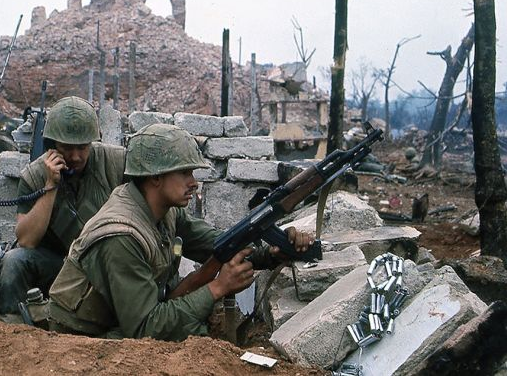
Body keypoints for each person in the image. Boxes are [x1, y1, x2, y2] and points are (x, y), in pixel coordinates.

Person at [48, 123, 314, 341]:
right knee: (192, 337)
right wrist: (218, 287)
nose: (194, 183)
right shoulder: (122, 237)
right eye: (185, 172)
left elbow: (218, 244)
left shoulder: (164, 209)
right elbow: (144, 329)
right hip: (82, 337)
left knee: (194, 328)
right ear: (155, 177)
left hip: (124, 318)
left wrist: (270, 253)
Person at [0, 96, 125, 321]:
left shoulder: (115, 162)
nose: (75, 157)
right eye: (66, 148)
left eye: (82, 147)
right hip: (59, 267)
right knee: (14, 261)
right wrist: (50, 186)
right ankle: (12, 329)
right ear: (52, 146)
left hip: (106, 269)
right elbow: (26, 240)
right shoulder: (34, 176)